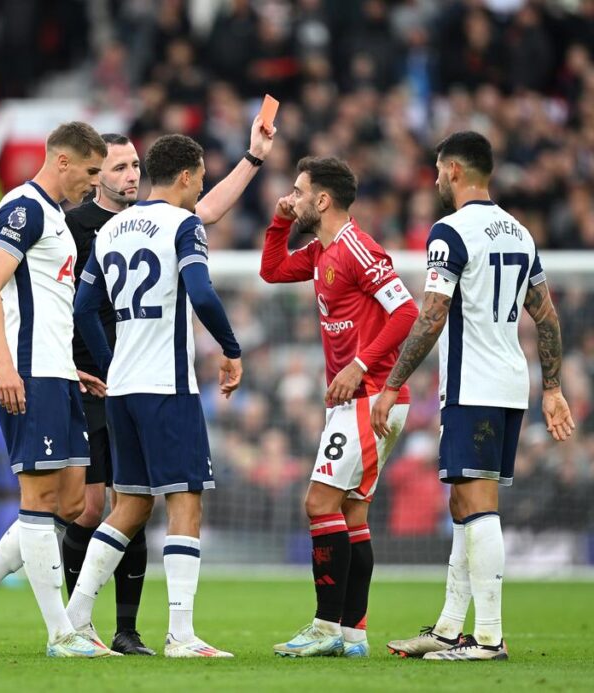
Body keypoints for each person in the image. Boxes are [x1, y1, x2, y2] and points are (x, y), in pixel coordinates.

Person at [61, 118, 275, 656]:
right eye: (200, 178)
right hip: (168, 385)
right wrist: (230, 347)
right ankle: (181, 633)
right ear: (184, 176)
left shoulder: (111, 229)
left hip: (125, 388)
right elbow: (201, 294)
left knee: (129, 507)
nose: (201, 188)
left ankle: (73, 619)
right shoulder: (183, 226)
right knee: (185, 504)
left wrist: (112, 364)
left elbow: (85, 308)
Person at [375, 131, 575, 661]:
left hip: (474, 385)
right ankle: (447, 629)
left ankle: (488, 638)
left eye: (439, 170)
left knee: (478, 504)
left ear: (455, 171)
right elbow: (547, 316)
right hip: (511, 383)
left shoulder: (451, 231)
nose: (437, 179)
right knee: (465, 500)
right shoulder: (520, 233)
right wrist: (552, 386)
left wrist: (393, 383)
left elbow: (433, 314)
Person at [0, 122, 112, 658]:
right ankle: (62, 633)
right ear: (63, 162)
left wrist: (68, 366)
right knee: (38, 501)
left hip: (57, 374)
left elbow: (47, 305)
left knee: (74, 502)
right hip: (28, 374)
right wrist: (5, 364)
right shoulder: (24, 208)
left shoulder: (57, 217)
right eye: (90, 171)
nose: (93, 183)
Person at [261, 157, 419, 658]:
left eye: (299, 191)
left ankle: (325, 626)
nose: (293, 195)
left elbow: (408, 311)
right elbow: (270, 270)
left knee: (318, 503)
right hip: (356, 401)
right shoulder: (319, 252)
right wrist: (281, 219)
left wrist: (361, 364)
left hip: (370, 397)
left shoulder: (357, 248)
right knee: (351, 514)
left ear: (323, 200)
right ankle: (353, 635)